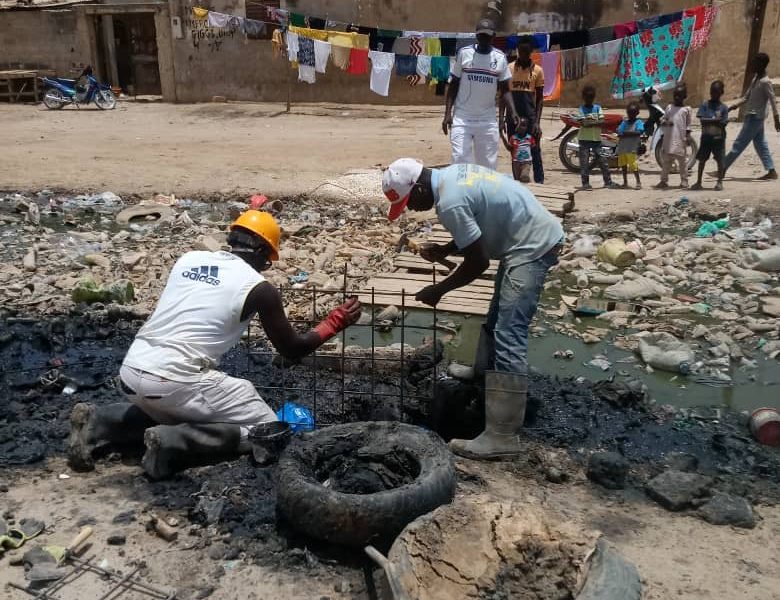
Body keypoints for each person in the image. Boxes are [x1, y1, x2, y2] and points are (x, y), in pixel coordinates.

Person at [68, 210, 361, 479]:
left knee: (169, 406)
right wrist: (334, 322)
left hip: (132, 371)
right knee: (268, 430)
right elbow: (292, 349)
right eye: (268, 260)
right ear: (261, 251)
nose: (266, 267)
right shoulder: (259, 288)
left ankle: (100, 420)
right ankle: (172, 443)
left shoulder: (189, 260)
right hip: (175, 380)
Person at [382, 158, 564, 460]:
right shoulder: (450, 176)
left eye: (409, 202)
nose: (411, 209)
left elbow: (478, 263)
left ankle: (502, 435)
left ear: (419, 187)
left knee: (509, 331)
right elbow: (476, 228)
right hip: (523, 237)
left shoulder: (449, 202)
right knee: (496, 318)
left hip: (532, 246)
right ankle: (481, 374)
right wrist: (446, 249)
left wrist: (438, 290)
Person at [442, 18, 519, 170]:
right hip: (462, 119)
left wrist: (513, 112)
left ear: (493, 36)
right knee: (460, 161)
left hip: (487, 120)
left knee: (487, 166)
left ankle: (483, 193)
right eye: (481, 35)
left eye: (487, 35)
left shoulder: (500, 58)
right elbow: (453, 85)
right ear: (476, 36)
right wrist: (447, 114)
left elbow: (505, 90)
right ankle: (463, 193)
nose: (484, 38)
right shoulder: (464, 54)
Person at [722, 53, 780, 181]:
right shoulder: (755, 79)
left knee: (739, 143)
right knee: (760, 144)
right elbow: (746, 97)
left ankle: (723, 167)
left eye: (755, 63)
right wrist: (733, 106)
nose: (752, 65)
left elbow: (772, 100)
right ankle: (771, 171)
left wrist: (776, 118)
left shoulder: (766, 82)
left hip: (755, 117)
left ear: (761, 65)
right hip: (752, 115)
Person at [499, 36, 545, 183]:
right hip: (513, 118)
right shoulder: (509, 68)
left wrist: (537, 122)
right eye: (521, 51)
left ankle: (539, 184)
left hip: (530, 118)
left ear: (531, 52)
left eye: (527, 52)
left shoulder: (538, 71)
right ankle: (518, 184)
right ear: (518, 51)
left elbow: (539, 99)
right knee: (515, 152)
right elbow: (503, 96)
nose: (524, 55)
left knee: (535, 151)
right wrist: (501, 119)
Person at [576, 84, 618, 190]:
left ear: (593, 98)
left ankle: (608, 181)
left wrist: (589, 123)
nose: (589, 100)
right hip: (584, 140)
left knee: (603, 161)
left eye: (590, 98)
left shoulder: (597, 108)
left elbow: (600, 122)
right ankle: (585, 184)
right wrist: (595, 122)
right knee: (584, 163)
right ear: (584, 98)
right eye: (587, 98)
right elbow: (584, 123)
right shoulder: (581, 109)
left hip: (596, 139)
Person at [692, 80, 729, 190]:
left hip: (719, 139)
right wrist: (716, 120)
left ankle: (719, 182)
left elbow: (724, 123)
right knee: (702, 160)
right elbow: (702, 120)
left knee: (720, 160)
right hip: (706, 138)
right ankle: (698, 181)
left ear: (721, 93)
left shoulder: (723, 107)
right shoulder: (705, 105)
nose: (713, 94)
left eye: (716, 92)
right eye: (712, 92)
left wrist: (713, 121)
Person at [655, 82, 692, 189]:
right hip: (668, 140)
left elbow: (688, 126)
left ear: (684, 97)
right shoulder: (669, 107)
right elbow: (664, 119)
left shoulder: (687, 110)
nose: (676, 97)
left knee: (682, 163)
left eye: (679, 95)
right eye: (675, 95)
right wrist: (663, 121)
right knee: (666, 163)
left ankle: (684, 181)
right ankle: (663, 180)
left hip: (680, 141)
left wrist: (688, 137)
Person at [616, 101, 644, 189]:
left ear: (637, 113)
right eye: (629, 112)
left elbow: (639, 132)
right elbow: (619, 131)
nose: (630, 115)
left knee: (633, 166)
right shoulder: (624, 122)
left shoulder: (638, 122)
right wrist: (624, 133)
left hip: (632, 148)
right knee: (623, 166)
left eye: (633, 113)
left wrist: (625, 133)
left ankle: (638, 182)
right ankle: (625, 182)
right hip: (623, 148)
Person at [500, 116, 535, 182]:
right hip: (516, 162)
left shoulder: (529, 138)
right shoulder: (513, 138)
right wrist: (503, 137)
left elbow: (533, 147)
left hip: (526, 162)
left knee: (524, 176)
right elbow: (509, 148)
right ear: (517, 126)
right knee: (517, 180)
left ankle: (526, 178)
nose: (522, 128)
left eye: (524, 125)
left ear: (527, 127)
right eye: (520, 125)